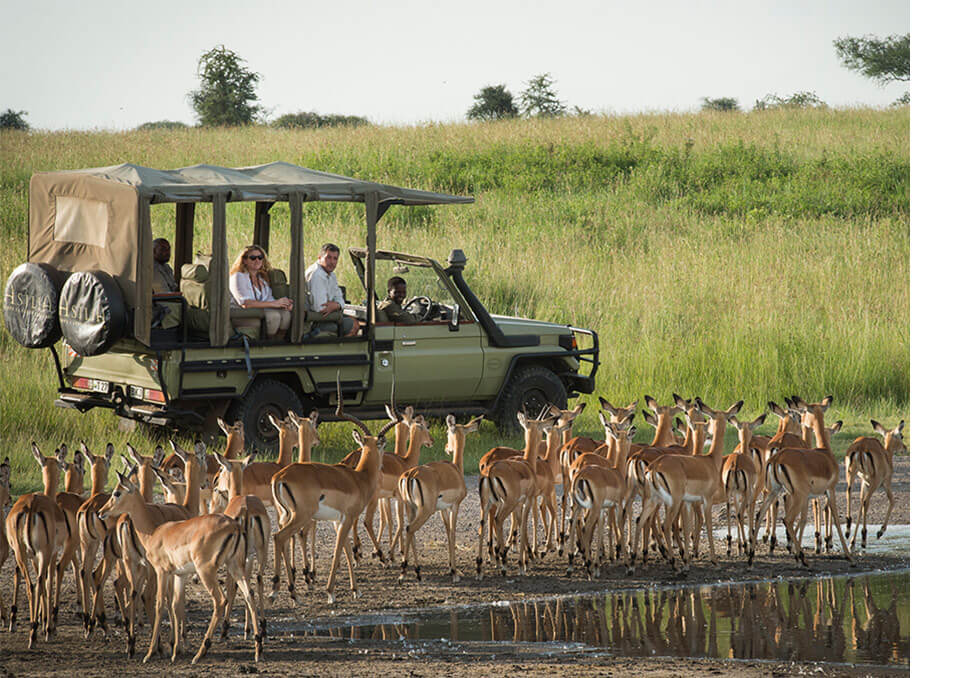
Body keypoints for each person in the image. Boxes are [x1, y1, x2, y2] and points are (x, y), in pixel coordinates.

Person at [228, 245, 293, 340]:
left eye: (260, 257)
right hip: (242, 314)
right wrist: (275, 304)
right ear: (244, 260)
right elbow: (246, 304)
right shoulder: (238, 276)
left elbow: (269, 300)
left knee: (286, 315)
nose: (257, 260)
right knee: (273, 316)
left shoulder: (262, 278)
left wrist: (284, 304)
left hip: (260, 311)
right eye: (253, 258)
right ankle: (267, 344)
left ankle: (277, 342)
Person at [305, 243, 358, 337]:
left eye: (335, 258)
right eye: (328, 257)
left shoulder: (331, 275)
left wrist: (336, 305)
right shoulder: (317, 275)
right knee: (353, 324)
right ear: (319, 257)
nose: (332, 262)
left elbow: (339, 297)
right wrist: (336, 306)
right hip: (315, 321)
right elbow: (320, 308)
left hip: (327, 316)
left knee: (353, 321)